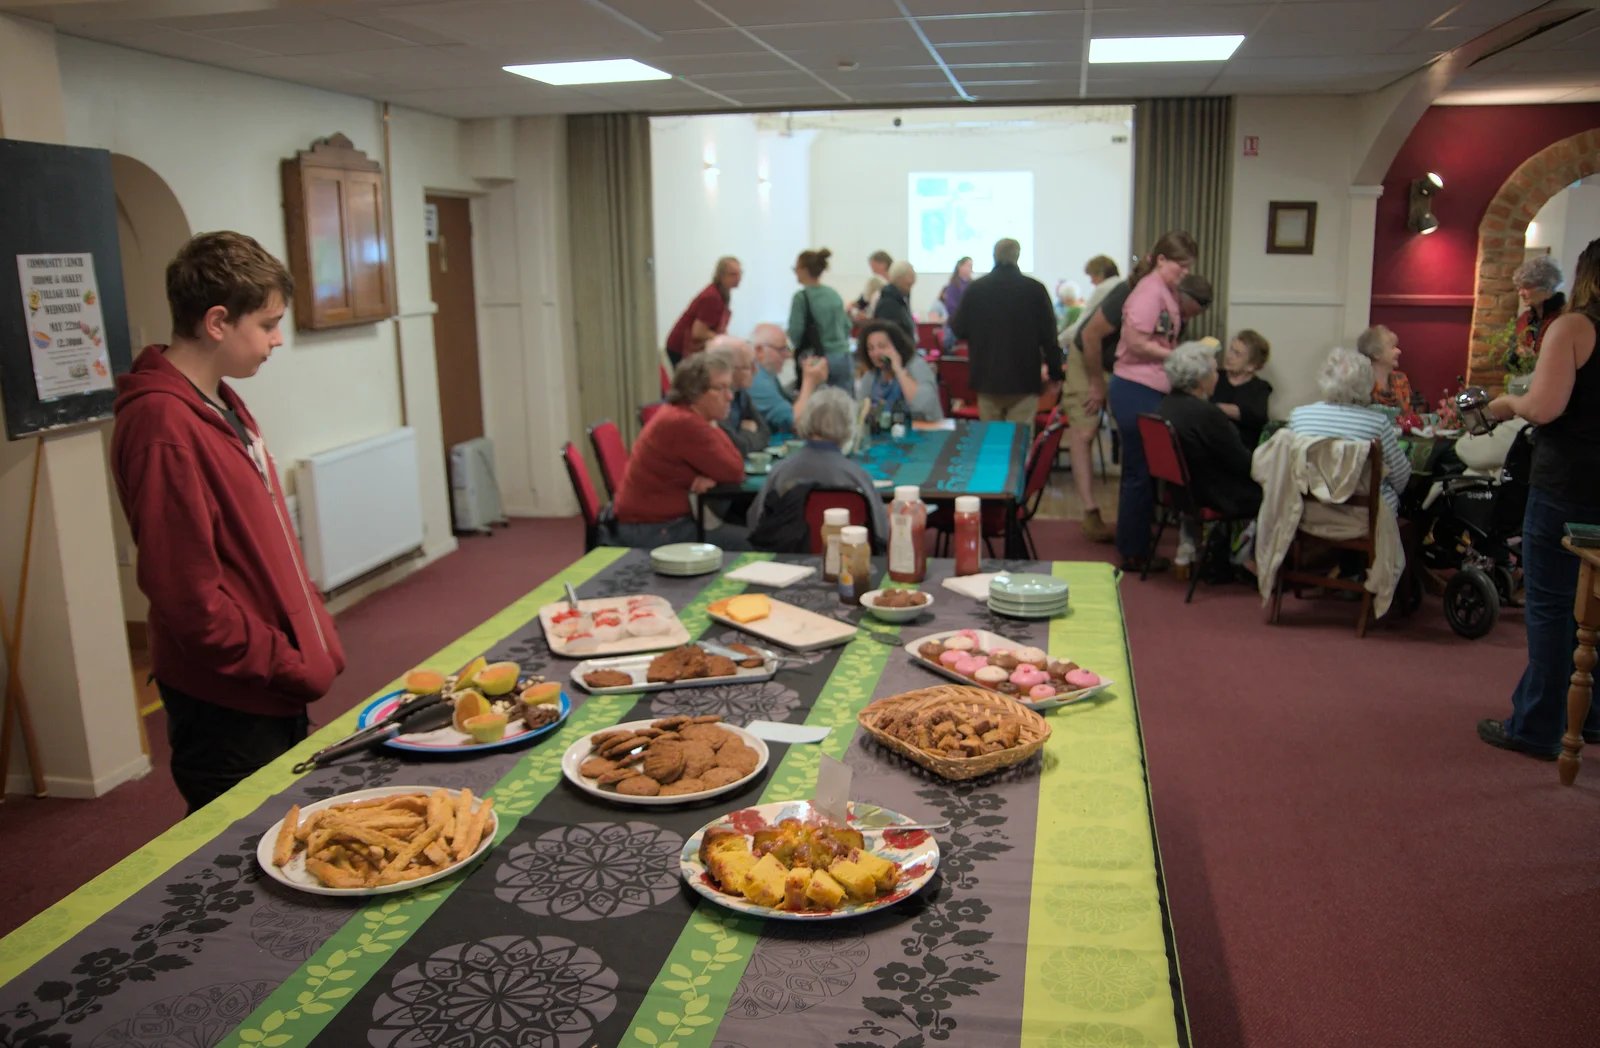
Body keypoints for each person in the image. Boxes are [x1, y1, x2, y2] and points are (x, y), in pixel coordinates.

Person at [110, 232, 346, 814]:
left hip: (267, 687)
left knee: (295, 829)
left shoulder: (220, 401)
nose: (276, 339)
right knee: (247, 856)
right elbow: (186, 596)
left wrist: (308, 629)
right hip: (230, 698)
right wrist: (282, 660)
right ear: (217, 321)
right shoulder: (163, 426)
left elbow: (261, 544)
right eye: (267, 324)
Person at [1477, 235, 1600, 760]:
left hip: (1569, 485)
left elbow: (1546, 407)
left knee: (1552, 607)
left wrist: (1506, 402)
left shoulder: (1574, 327)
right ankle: (1590, 717)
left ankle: (1538, 726)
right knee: (1597, 606)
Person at [1107, 230, 1199, 572]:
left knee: (1141, 471)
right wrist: (1175, 356)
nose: (1186, 271)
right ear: (1162, 260)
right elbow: (1135, 342)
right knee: (1139, 472)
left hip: (1145, 388)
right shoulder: (1148, 292)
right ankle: (1133, 551)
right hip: (1136, 389)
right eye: (1182, 265)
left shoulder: (1164, 290)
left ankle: (1135, 546)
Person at [612, 354, 749, 548]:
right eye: (721, 388)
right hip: (654, 529)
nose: (730, 396)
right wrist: (712, 428)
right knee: (754, 543)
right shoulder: (685, 423)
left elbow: (733, 462)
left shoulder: (684, 414)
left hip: (661, 520)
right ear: (695, 392)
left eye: (730, 387)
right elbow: (735, 470)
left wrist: (712, 425)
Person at [747, 387, 890, 547]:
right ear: (849, 428)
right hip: (847, 563)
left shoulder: (781, 471)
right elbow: (881, 533)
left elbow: (755, 523)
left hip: (787, 561)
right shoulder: (857, 476)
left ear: (806, 420)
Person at [1286, 347, 1410, 515]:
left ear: (1325, 377)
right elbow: (1401, 479)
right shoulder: (1377, 423)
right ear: (1369, 383)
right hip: (1366, 521)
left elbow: (1288, 471)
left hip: (1309, 517)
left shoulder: (1299, 416)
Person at [950, 237, 1061, 424]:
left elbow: (958, 329)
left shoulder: (976, 289)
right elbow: (1049, 337)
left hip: (986, 377)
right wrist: (1055, 373)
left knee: (991, 442)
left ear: (993, 256)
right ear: (1018, 256)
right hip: (1024, 379)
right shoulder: (1035, 290)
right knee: (1018, 442)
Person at [1058, 255, 1125, 543]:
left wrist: (1059, 340)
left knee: (1082, 432)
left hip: (1110, 361)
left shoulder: (1111, 288)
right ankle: (1091, 512)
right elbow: (1086, 332)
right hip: (1089, 358)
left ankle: (1092, 509)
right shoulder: (1113, 289)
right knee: (1083, 430)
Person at [1156, 342, 1262, 520]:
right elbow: (1244, 463)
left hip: (1179, 491)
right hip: (1214, 495)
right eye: (1214, 371)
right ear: (1200, 380)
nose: (1217, 377)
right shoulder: (1207, 413)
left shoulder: (1165, 405)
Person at [786, 247, 853, 392]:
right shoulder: (833, 294)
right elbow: (847, 325)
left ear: (804, 270)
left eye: (795, 268)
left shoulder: (801, 298)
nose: (795, 272)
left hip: (818, 359)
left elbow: (795, 333)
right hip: (843, 357)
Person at [855, 320, 943, 423]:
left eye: (882, 346)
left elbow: (923, 406)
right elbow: (860, 409)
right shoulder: (872, 375)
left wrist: (899, 371)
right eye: (871, 348)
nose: (876, 353)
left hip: (922, 432)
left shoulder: (916, 366)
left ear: (897, 347)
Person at [749, 322, 828, 434]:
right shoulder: (756, 379)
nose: (786, 355)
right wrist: (809, 381)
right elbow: (795, 422)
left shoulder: (766, 373)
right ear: (759, 351)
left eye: (787, 348)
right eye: (780, 350)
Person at [665, 256, 740, 367]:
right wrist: (726, 340)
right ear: (721, 275)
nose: (739, 278)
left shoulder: (722, 293)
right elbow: (699, 332)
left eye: (740, 273)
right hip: (681, 350)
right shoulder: (712, 296)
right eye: (733, 274)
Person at [1211, 329, 1274, 450]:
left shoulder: (1260, 387)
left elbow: (1256, 415)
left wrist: (1216, 408)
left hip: (1241, 448)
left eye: (1237, 354)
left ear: (1252, 365)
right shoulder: (1214, 376)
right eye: (1231, 350)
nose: (1229, 356)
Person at [707, 338, 770, 455]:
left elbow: (765, 433)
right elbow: (734, 448)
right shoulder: (711, 400)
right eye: (749, 367)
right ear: (728, 369)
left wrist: (743, 439)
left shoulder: (741, 393)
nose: (756, 371)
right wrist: (748, 432)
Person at [1509, 254, 1566, 373]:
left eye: (1526, 287)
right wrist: (1517, 354)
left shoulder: (1565, 319)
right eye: (1519, 288)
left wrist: (1536, 359)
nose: (1520, 293)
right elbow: (1509, 362)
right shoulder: (1524, 319)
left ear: (1547, 288)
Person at [1358, 324, 1413, 411]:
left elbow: (1409, 415)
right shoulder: (1360, 381)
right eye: (1392, 347)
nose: (1399, 351)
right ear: (1376, 354)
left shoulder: (1400, 379)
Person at [872, 259, 917, 340]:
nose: (914, 281)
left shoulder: (901, 300)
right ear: (898, 278)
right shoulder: (888, 304)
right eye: (911, 277)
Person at [850, 249, 894, 323]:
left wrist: (868, 317)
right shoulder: (875, 282)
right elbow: (863, 301)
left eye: (873, 266)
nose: (873, 271)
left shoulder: (890, 285)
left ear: (883, 264)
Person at [939, 256, 973, 349]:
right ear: (960, 266)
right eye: (968, 265)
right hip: (956, 323)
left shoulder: (972, 284)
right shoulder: (953, 285)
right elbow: (951, 306)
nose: (970, 269)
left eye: (971, 266)